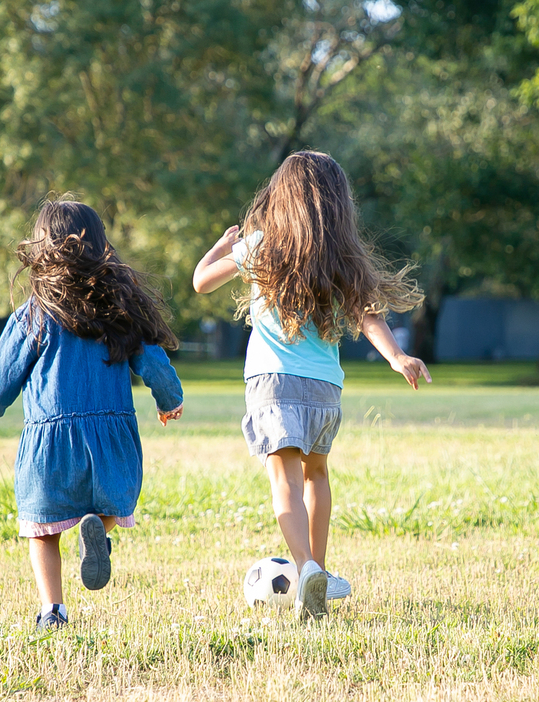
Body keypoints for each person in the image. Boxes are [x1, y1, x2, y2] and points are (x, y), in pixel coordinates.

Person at [191, 151, 430, 620]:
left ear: (281, 198)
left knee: (284, 479)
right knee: (316, 475)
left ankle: (304, 570)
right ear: (338, 205)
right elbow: (368, 317)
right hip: (324, 388)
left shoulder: (261, 245)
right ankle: (318, 566)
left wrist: (221, 247)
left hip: (271, 382)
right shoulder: (340, 258)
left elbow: (201, 282)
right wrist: (398, 356)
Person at [0, 200, 184, 632]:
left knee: (42, 531)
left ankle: (53, 610)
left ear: (41, 250)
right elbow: (155, 365)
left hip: (51, 448)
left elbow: (0, 382)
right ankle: (98, 532)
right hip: (111, 442)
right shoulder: (120, 311)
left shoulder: (33, 316)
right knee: (110, 501)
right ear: (102, 246)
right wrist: (168, 400)